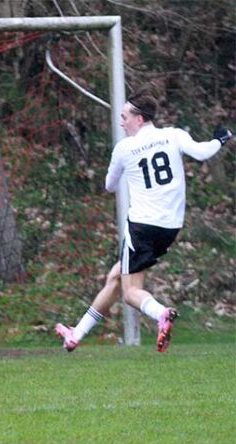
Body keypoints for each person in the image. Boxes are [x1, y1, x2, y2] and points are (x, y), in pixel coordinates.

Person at [55, 91, 231, 353]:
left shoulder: (125, 148)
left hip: (141, 226)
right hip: (170, 227)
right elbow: (203, 152)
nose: (122, 122)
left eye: (125, 117)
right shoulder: (173, 134)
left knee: (130, 292)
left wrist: (128, 168)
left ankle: (162, 313)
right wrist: (220, 138)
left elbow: (109, 185)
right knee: (116, 276)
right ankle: (75, 334)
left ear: (139, 118)